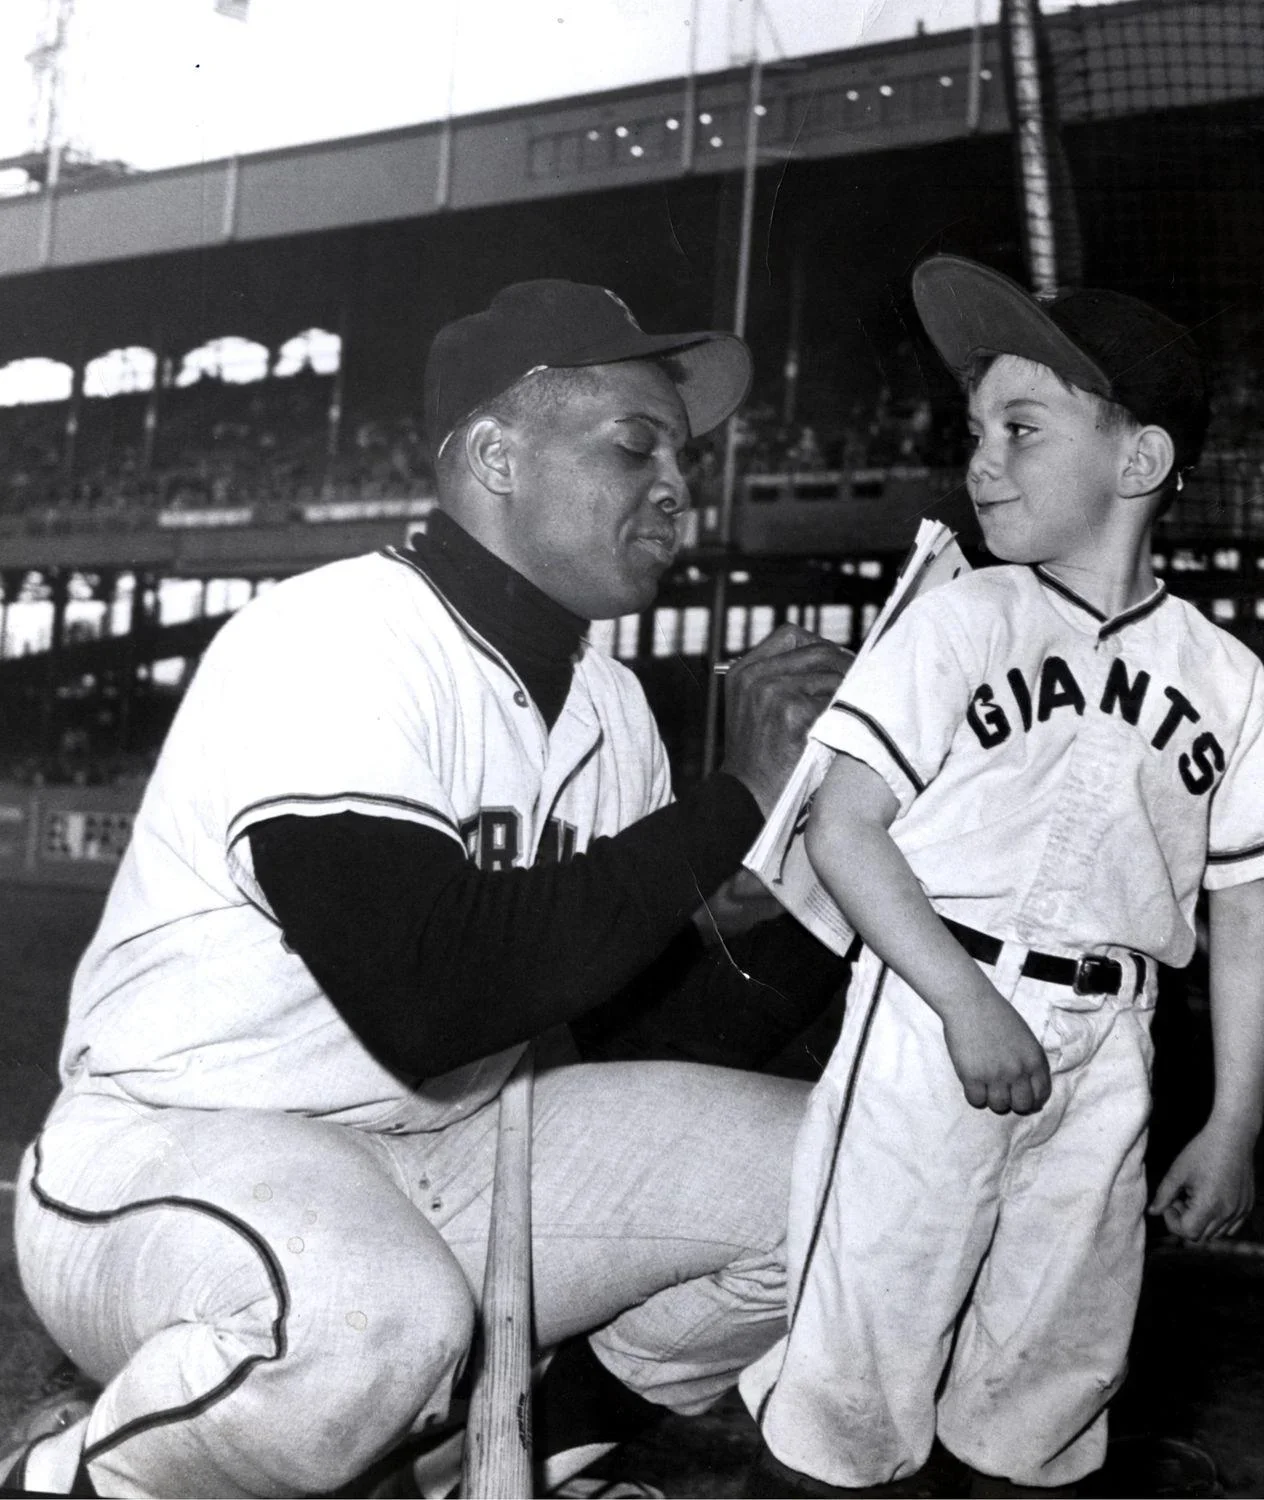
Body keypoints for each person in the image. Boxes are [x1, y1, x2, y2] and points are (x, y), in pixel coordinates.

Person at [5, 279, 850, 1498]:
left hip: (451, 1148)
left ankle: (490, 1457)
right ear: (497, 457)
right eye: (634, 443)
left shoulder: (610, 705)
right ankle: (70, 1479)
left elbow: (644, 1035)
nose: (678, 483)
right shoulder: (337, 637)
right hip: (177, 1155)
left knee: (847, 1183)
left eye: (683, 453)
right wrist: (733, 804)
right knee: (375, 1325)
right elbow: (431, 997)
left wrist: (842, 888)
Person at [741, 256, 1264, 1495]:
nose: (982, 459)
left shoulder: (1230, 680)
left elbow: (1243, 910)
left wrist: (1234, 1118)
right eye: (977, 430)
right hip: (937, 1005)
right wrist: (964, 1004)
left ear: (1138, 462)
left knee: (1052, 1371)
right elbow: (841, 828)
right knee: (858, 1361)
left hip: (1112, 1032)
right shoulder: (959, 616)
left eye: (1021, 429)